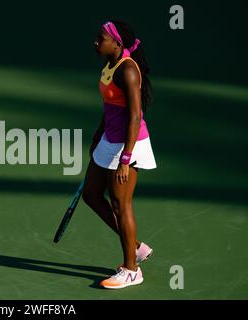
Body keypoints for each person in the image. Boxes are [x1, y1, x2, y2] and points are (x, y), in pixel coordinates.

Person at [83, 20, 157, 289]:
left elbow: (136, 116)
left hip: (129, 143)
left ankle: (131, 270)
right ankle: (135, 246)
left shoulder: (127, 70)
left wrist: (126, 158)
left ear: (116, 43)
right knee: (90, 194)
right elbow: (110, 107)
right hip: (109, 138)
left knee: (120, 204)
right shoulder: (108, 66)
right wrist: (97, 136)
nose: (96, 42)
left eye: (101, 38)